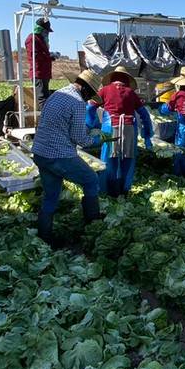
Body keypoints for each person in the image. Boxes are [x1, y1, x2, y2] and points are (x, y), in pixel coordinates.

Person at [32, 69, 111, 245]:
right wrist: (101, 138)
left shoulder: (58, 94)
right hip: (59, 155)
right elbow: (80, 139)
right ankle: (93, 222)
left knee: (51, 195)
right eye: (90, 93)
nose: (89, 97)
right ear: (85, 89)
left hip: (40, 152)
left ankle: (44, 236)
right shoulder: (77, 102)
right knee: (90, 180)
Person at [87, 66, 154, 198]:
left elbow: (90, 107)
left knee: (109, 158)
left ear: (112, 79)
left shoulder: (104, 90)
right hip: (129, 129)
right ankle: (124, 191)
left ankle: (107, 191)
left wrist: (91, 125)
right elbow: (144, 115)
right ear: (126, 80)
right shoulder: (131, 93)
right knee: (127, 158)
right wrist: (147, 136)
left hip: (110, 129)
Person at [25, 18, 59, 109]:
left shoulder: (40, 39)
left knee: (46, 98)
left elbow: (42, 54)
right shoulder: (32, 39)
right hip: (39, 73)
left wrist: (51, 56)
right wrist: (49, 56)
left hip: (44, 72)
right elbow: (35, 56)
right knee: (43, 99)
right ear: (41, 29)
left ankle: (47, 119)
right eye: (46, 31)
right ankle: (46, 120)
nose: (47, 33)